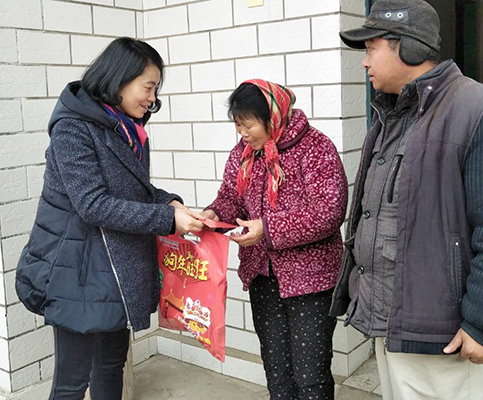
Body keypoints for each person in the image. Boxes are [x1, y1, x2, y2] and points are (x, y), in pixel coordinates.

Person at [15, 37, 204, 400]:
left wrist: (172, 204)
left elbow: (133, 190)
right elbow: (94, 204)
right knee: (72, 381)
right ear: (120, 79)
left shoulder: (128, 129)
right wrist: (167, 219)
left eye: (156, 89)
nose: (152, 98)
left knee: (110, 366)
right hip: (76, 270)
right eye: (148, 87)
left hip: (116, 270)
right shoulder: (73, 129)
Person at [329, 0, 483, 399]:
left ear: (408, 47)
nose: (365, 62)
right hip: (393, 325)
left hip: (446, 338)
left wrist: (478, 322)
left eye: (371, 48)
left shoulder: (473, 108)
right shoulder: (392, 114)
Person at [200, 79, 348, 400]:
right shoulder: (243, 154)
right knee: (276, 367)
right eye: (238, 125)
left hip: (310, 280)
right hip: (263, 276)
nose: (243, 133)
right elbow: (231, 198)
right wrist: (215, 213)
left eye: (249, 124)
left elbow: (329, 211)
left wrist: (267, 228)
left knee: (310, 373)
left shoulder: (314, 147)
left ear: (273, 117)